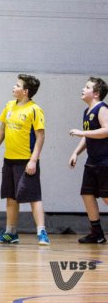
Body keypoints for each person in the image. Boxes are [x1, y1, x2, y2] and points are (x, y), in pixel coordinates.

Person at [0, 74, 50, 245]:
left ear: (26, 91)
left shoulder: (34, 109)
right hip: (9, 160)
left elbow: (40, 136)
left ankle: (42, 232)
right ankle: (11, 232)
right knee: (11, 196)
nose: (13, 88)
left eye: (17, 85)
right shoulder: (9, 106)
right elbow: (1, 130)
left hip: (26, 161)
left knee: (33, 197)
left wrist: (33, 160)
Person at [68, 77, 108, 244]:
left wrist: (82, 133)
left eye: (87, 87)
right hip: (92, 161)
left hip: (105, 161)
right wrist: (76, 152)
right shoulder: (86, 112)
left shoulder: (102, 108)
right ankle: (97, 233)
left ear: (96, 93)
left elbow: (106, 130)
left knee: (106, 198)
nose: (83, 89)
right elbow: (89, 136)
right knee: (87, 194)